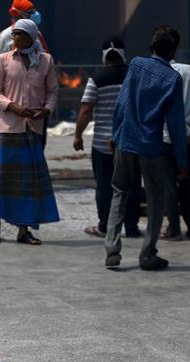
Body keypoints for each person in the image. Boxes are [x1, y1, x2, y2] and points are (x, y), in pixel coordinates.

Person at [105, 26, 188, 271]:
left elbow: (122, 102)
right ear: (173, 51)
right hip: (151, 146)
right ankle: (147, 254)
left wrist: (115, 132)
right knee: (156, 198)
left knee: (119, 192)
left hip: (126, 140)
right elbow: (175, 125)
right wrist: (182, 161)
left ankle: (111, 250)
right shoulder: (174, 79)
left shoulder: (136, 65)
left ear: (151, 46)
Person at [0, 19, 59, 245]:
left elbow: (53, 91)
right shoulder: (4, 59)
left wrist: (46, 110)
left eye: (19, 34)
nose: (14, 38)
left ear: (30, 36)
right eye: (14, 34)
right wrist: (12, 106)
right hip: (9, 128)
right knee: (2, 179)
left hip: (33, 128)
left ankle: (23, 229)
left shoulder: (45, 61)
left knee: (28, 181)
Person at [73, 37, 142, 239]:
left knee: (104, 186)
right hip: (131, 142)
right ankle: (131, 227)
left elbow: (86, 109)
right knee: (132, 184)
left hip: (103, 143)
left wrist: (77, 135)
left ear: (104, 56)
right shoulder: (135, 76)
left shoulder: (97, 78)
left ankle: (104, 226)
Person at [160, 33, 190, 240]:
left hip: (165, 135)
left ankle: (173, 227)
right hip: (188, 135)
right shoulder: (188, 71)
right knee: (188, 183)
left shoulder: (158, 72)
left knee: (167, 184)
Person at [0, 0, 49, 79]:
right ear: (19, 16)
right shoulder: (6, 36)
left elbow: (43, 59)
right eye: (31, 12)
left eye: (35, 11)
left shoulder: (37, 34)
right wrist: (0, 87)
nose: (35, 14)